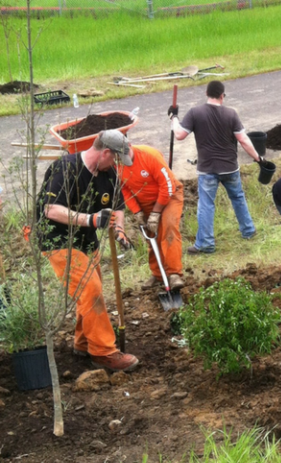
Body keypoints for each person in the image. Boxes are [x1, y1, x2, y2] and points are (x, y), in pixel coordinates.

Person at [37, 130, 139, 372]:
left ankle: (83, 343)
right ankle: (103, 352)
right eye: (114, 158)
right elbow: (50, 209)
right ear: (105, 152)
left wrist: (120, 229)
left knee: (92, 290)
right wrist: (90, 220)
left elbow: (117, 204)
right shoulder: (65, 169)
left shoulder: (106, 172)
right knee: (90, 290)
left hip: (86, 241)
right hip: (57, 240)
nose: (115, 164)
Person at [169, 80, 261, 254]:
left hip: (208, 170)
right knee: (238, 198)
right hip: (230, 168)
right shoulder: (231, 114)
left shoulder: (195, 112)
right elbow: (243, 140)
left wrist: (173, 118)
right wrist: (258, 158)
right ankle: (248, 230)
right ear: (222, 96)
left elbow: (179, 134)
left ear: (206, 94)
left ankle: (205, 243)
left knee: (206, 205)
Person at [117, 142, 184, 290]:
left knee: (169, 228)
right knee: (152, 236)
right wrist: (137, 211)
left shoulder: (149, 156)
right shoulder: (114, 164)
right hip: (144, 202)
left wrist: (156, 213)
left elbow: (167, 186)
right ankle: (158, 274)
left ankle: (174, 274)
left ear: (129, 145)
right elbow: (124, 189)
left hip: (170, 196)